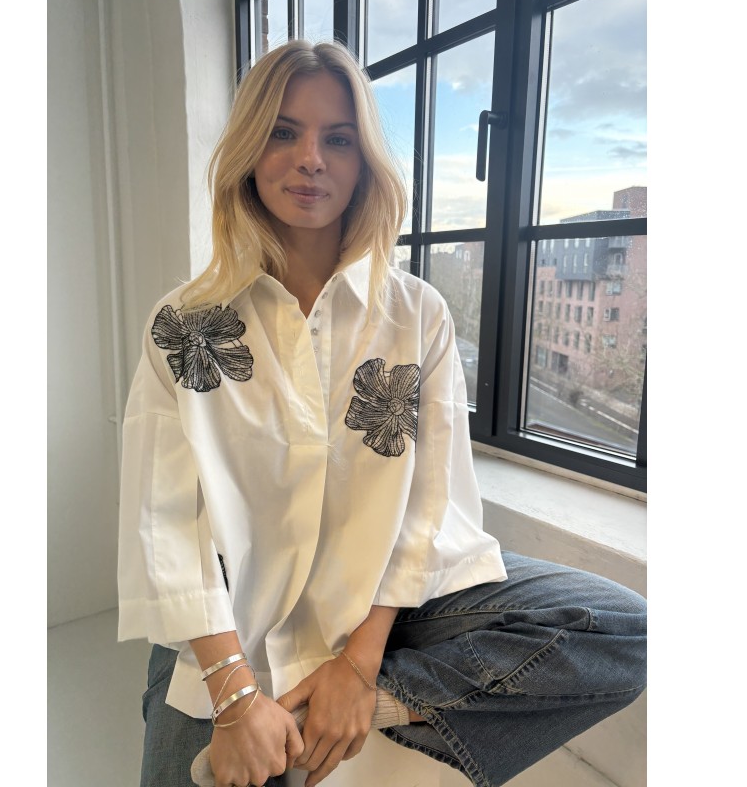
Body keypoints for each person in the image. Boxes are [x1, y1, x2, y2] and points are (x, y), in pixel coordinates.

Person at [117, 39, 646, 787]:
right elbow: (165, 518)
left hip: (382, 602)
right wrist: (233, 698)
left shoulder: (417, 315)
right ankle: (284, 712)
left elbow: (429, 504)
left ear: (365, 162)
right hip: (229, 620)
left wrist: (362, 669)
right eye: (283, 131)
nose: (311, 159)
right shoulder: (185, 320)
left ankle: (372, 707)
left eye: (338, 139)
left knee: (619, 628)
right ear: (248, 150)